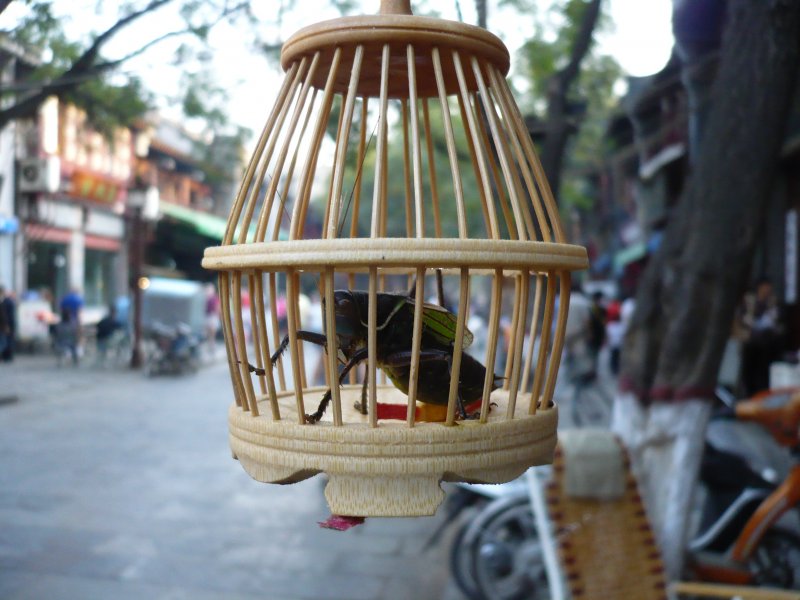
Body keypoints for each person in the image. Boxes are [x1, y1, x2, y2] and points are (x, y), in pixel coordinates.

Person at [737, 278, 784, 396]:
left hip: (767, 343)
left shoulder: (772, 302)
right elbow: (742, 318)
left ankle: (762, 393)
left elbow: (778, 320)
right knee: (748, 371)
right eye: (765, 287)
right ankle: (748, 393)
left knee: (763, 372)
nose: (767, 290)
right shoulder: (749, 300)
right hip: (750, 341)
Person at [0, 286, 16, 362]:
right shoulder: (6, 302)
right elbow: (4, 316)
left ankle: (6, 356)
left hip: (4, 325)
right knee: (4, 342)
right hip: (4, 326)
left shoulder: (5, 301)